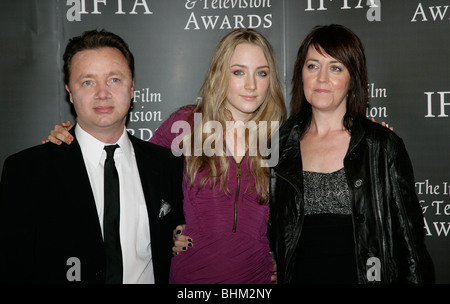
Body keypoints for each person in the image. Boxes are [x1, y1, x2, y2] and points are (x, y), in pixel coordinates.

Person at [43, 28, 286, 284]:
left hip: (257, 280)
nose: (251, 84)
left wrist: (285, 258)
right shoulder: (187, 124)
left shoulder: (277, 137)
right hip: (191, 280)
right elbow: (133, 173)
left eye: (262, 73)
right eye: (238, 72)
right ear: (220, 74)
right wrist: (71, 143)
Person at [0, 29, 184, 284]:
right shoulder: (27, 171)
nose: (102, 93)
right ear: (70, 92)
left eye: (114, 80)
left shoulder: (167, 165)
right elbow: (13, 267)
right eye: (88, 82)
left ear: (132, 88)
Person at [269, 24, 435, 284]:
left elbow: (411, 249)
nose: (322, 78)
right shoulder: (279, 145)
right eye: (313, 66)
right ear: (301, 74)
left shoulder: (382, 146)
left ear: (352, 79)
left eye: (335, 67)